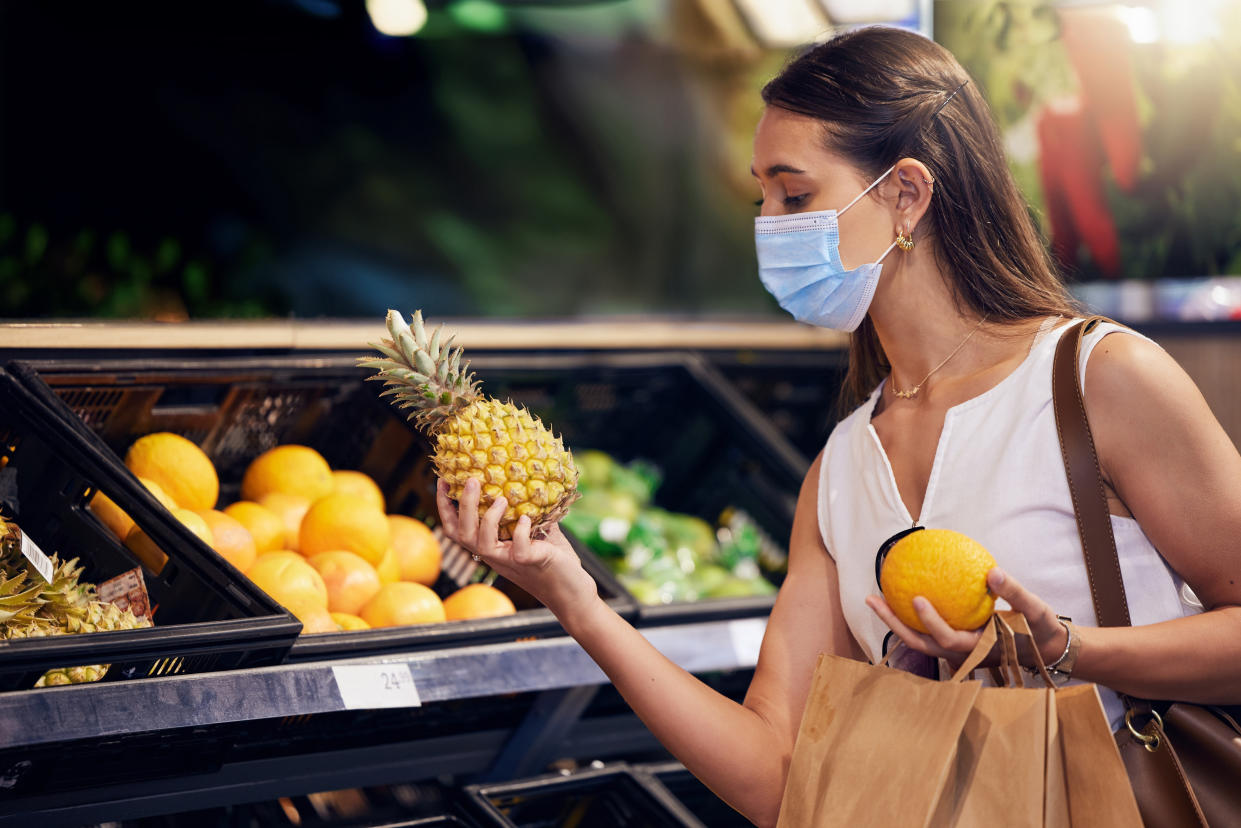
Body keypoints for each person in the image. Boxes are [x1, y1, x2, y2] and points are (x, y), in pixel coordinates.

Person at [437, 25, 1241, 828]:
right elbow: (778, 777)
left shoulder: (1096, 378)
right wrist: (575, 600)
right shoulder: (841, 468)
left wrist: (1067, 649)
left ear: (905, 194)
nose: (770, 225)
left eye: (794, 195)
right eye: (761, 197)